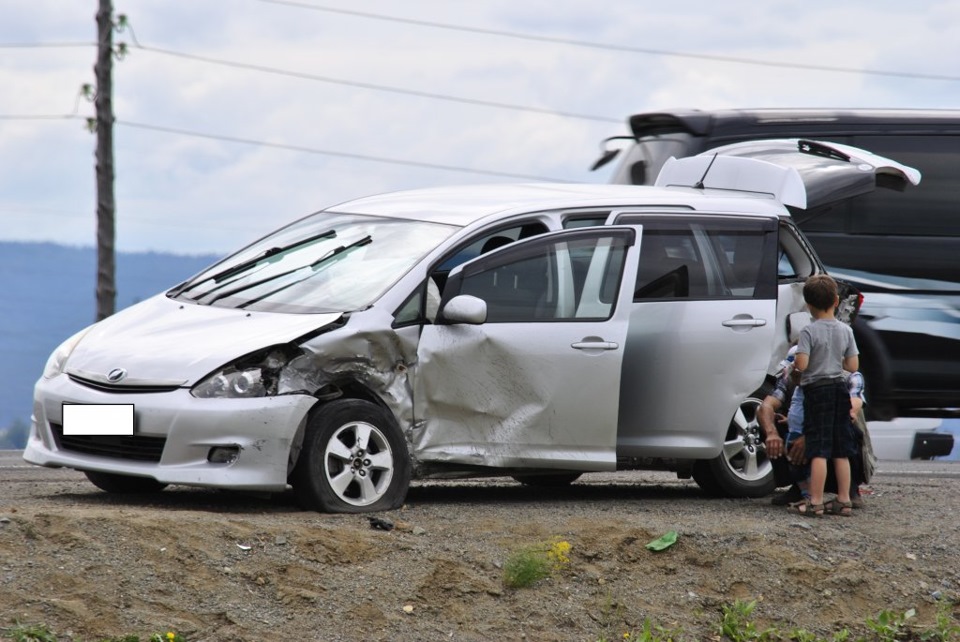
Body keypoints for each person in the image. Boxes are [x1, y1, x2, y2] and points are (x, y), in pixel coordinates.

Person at [760, 349, 869, 508]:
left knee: (847, 433)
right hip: (808, 430)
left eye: (796, 369)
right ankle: (800, 487)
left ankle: (848, 491)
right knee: (774, 424)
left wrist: (810, 437)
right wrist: (772, 434)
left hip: (833, 435)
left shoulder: (846, 377)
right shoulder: (791, 378)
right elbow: (766, 406)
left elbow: (849, 411)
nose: (792, 373)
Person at [792, 274, 860, 517]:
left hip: (817, 391)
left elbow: (801, 363)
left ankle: (816, 501)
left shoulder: (808, 331)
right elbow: (853, 366)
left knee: (819, 449)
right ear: (836, 300)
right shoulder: (846, 330)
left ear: (808, 304)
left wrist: (796, 368)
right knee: (841, 449)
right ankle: (843, 500)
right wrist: (834, 360)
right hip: (840, 389)